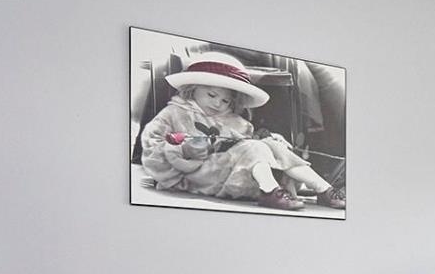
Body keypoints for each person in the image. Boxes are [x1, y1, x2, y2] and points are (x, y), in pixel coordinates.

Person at [139, 52, 345, 211]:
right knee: (254, 147)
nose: (218, 103)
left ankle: (323, 189)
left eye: (226, 100)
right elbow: (151, 143)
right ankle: (269, 191)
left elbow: (250, 149)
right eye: (212, 95)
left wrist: (270, 142)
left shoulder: (238, 122)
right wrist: (180, 150)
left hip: (234, 174)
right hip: (197, 175)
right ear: (192, 89)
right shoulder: (174, 112)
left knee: (270, 145)